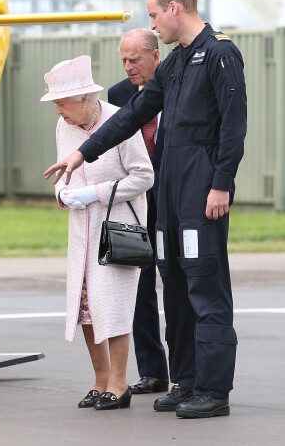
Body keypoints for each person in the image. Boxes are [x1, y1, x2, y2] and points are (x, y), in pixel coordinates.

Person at [44, 0, 247, 419]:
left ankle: (213, 390)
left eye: (153, 15)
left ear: (175, 8)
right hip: (169, 194)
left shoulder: (219, 53)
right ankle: (186, 381)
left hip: (201, 190)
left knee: (205, 286)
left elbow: (234, 126)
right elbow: (132, 116)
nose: (151, 23)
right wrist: (82, 152)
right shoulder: (173, 67)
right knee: (173, 284)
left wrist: (222, 183)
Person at [41, 54, 154, 411]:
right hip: (82, 231)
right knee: (86, 307)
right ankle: (101, 379)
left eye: (62, 103)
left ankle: (120, 385)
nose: (59, 111)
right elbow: (65, 173)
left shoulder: (120, 121)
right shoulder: (64, 126)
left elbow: (144, 176)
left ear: (86, 98)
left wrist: (95, 193)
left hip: (117, 228)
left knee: (114, 305)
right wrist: (63, 195)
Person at [109, 28, 169, 395]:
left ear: (155, 57)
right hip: (135, 206)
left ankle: (187, 373)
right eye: (124, 61)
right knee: (140, 288)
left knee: (177, 287)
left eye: (135, 60)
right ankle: (153, 371)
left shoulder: (176, 89)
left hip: (174, 201)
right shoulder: (117, 95)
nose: (129, 67)